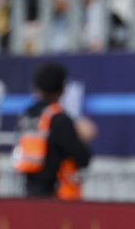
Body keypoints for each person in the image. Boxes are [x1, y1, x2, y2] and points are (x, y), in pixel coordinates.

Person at [13, 62, 96, 200]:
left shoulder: (27, 115)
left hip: (29, 192)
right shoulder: (58, 118)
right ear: (62, 89)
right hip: (55, 195)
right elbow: (83, 157)